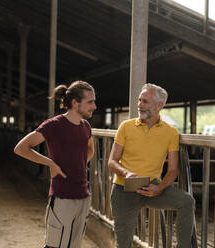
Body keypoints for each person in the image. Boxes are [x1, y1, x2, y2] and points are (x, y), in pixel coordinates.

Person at [108, 83, 195, 248]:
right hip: (123, 188)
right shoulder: (125, 127)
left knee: (187, 201)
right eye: (139, 100)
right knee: (123, 244)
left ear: (159, 105)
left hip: (153, 187)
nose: (140, 105)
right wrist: (126, 173)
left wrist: (160, 188)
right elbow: (112, 162)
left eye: (145, 101)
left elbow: (173, 170)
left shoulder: (171, 132)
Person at [14, 80, 97, 248]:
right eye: (90, 102)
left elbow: (90, 150)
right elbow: (21, 148)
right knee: (54, 246)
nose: (94, 106)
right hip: (62, 195)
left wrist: (79, 165)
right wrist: (50, 163)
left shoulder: (86, 126)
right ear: (75, 103)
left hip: (83, 196)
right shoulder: (54, 125)